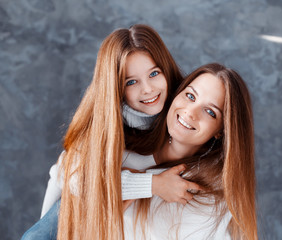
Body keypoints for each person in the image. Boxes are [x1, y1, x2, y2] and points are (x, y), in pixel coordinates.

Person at [21, 24, 201, 240]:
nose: (148, 89)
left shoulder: (182, 109)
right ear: (116, 87)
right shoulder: (102, 120)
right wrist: (154, 184)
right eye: (131, 82)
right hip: (76, 206)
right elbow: (76, 181)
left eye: (154, 73)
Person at [122, 63, 258, 240]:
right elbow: (78, 180)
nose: (190, 112)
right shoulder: (126, 137)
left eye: (210, 111)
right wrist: (153, 184)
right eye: (190, 96)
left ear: (221, 131)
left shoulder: (206, 194)